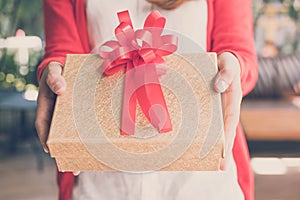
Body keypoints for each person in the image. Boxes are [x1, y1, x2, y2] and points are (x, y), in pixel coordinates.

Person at [35, 0, 258, 199]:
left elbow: (238, 52)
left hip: (200, 177)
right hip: (102, 178)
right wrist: (55, 71)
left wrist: (234, 66)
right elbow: (63, 51)